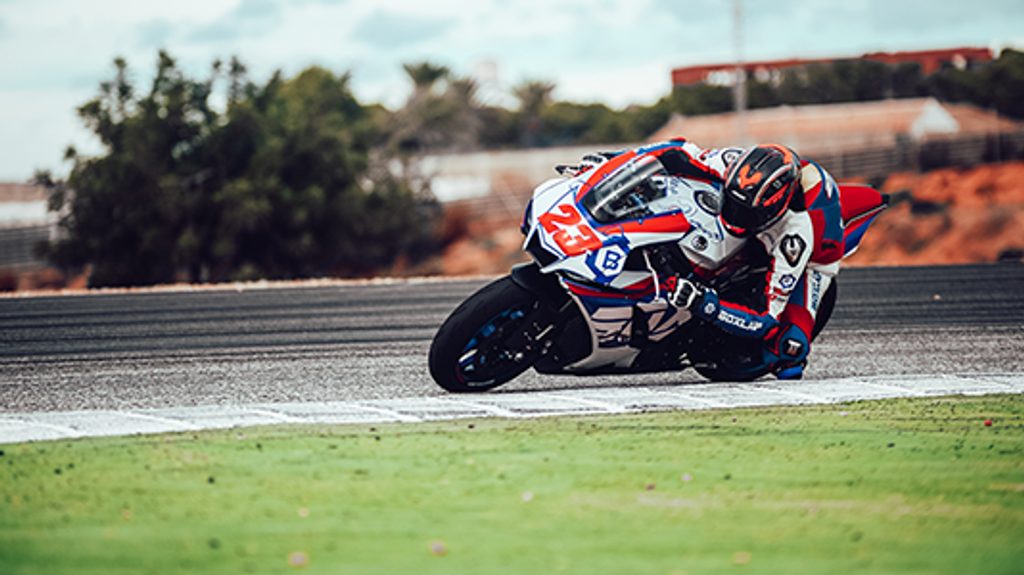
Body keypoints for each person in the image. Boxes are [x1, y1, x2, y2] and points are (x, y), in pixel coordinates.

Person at [640, 138, 844, 380]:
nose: (735, 217)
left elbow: (766, 319)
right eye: (733, 204)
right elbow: (675, 150)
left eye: (746, 214)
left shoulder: (794, 238)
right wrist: (612, 161)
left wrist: (705, 303)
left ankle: (784, 358)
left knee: (789, 347)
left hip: (815, 259)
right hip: (761, 222)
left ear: (774, 209)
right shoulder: (732, 163)